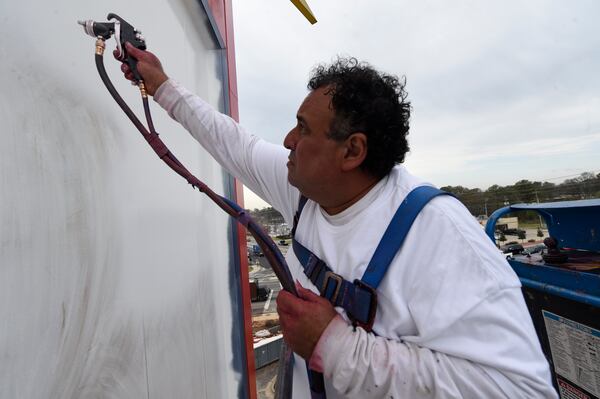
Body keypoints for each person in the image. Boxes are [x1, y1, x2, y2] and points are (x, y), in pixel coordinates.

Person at [117, 43, 558, 398]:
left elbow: (522, 388)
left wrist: (339, 348)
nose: (288, 141)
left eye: (303, 129)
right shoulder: (306, 189)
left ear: (352, 151)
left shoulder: (439, 235)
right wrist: (160, 85)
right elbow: (235, 143)